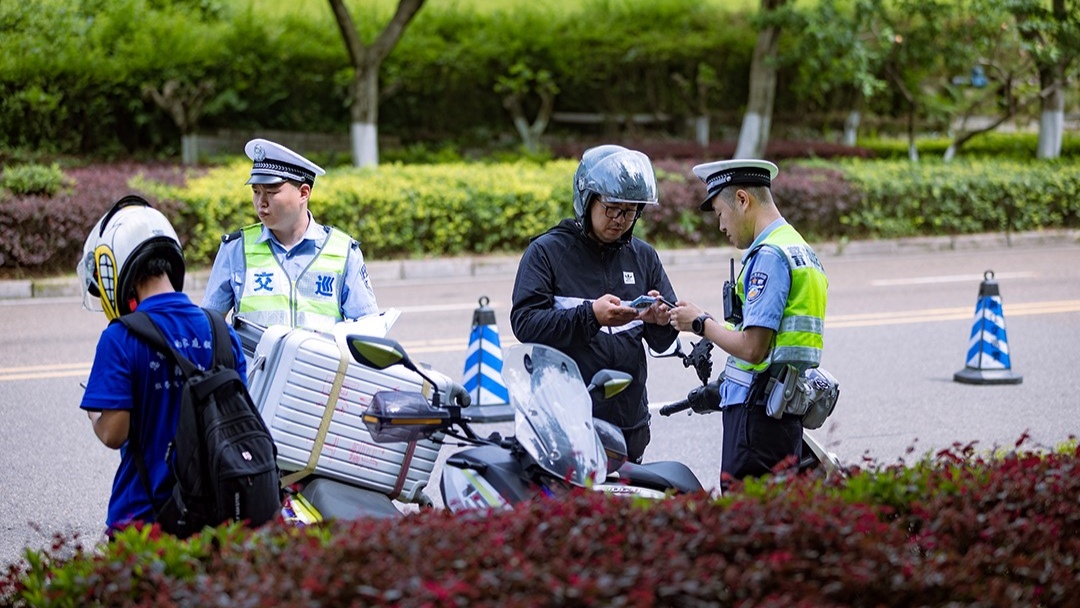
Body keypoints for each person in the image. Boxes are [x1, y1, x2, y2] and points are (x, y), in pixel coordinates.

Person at [78, 195, 248, 532]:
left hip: (143, 520)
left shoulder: (120, 338)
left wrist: (94, 411)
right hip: (215, 521)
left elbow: (114, 433)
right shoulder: (221, 331)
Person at [510, 145, 680, 464]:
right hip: (563, 424)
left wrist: (661, 322)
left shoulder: (643, 257)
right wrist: (591, 316)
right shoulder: (547, 252)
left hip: (629, 423)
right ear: (586, 200)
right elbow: (526, 324)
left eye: (630, 212)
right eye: (611, 208)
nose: (619, 220)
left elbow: (664, 339)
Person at [668, 159, 828, 487]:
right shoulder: (799, 248)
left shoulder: (769, 255)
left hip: (758, 420)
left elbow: (754, 349)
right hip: (782, 411)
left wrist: (700, 323)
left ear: (743, 200)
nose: (721, 226)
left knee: (748, 521)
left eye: (720, 214)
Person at [201, 138, 378, 331]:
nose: (261, 202)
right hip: (256, 362)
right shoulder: (235, 249)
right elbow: (208, 329)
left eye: (271, 192)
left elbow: (368, 329)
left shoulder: (343, 252)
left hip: (319, 362)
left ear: (303, 193)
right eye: (256, 191)